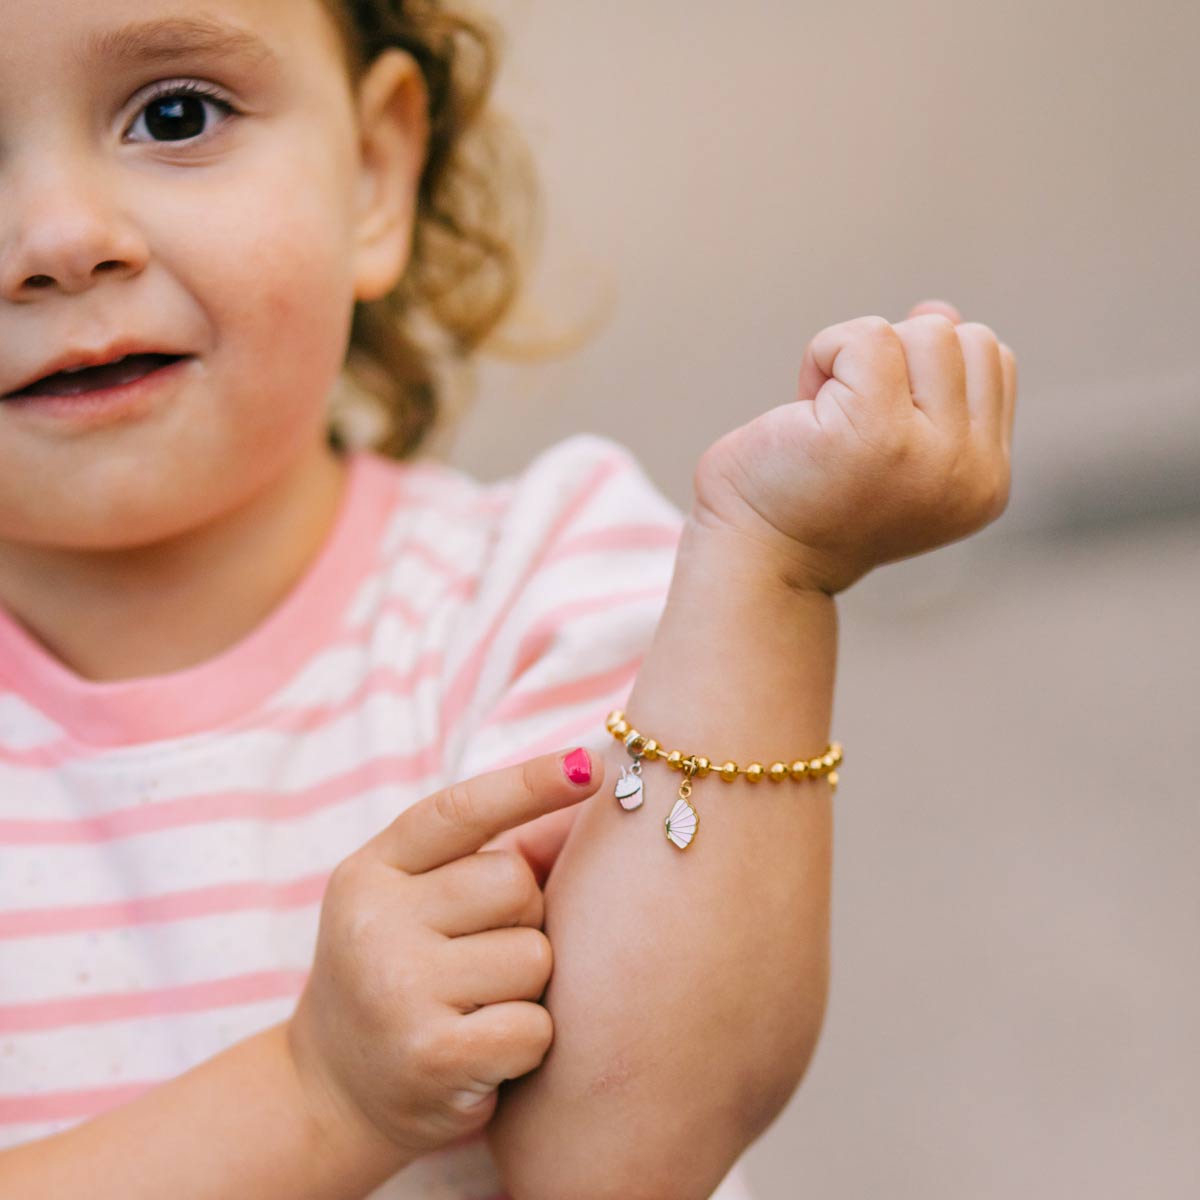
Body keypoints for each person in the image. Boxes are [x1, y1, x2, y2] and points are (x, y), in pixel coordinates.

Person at [0, 2, 1016, 1198]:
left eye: (177, 114)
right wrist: (318, 1096)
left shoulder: (537, 593)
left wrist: (773, 575)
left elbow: (624, 1155)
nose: (61, 239)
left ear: (373, 173)